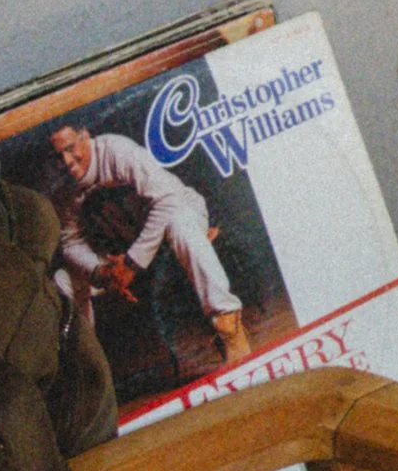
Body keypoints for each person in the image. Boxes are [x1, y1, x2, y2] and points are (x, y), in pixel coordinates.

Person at [46, 121, 249, 362]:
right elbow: (71, 243)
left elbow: (167, 201)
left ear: (85, 136)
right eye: (59, 156)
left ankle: (228, 323)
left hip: (175, 217)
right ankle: (88, 363)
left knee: (179, 222)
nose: (67, 161)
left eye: (70, 148)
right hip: (128, 250)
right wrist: (103, 272)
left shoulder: (117, 151)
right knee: (62, 280)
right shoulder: (64, 189)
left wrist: (130, 265)